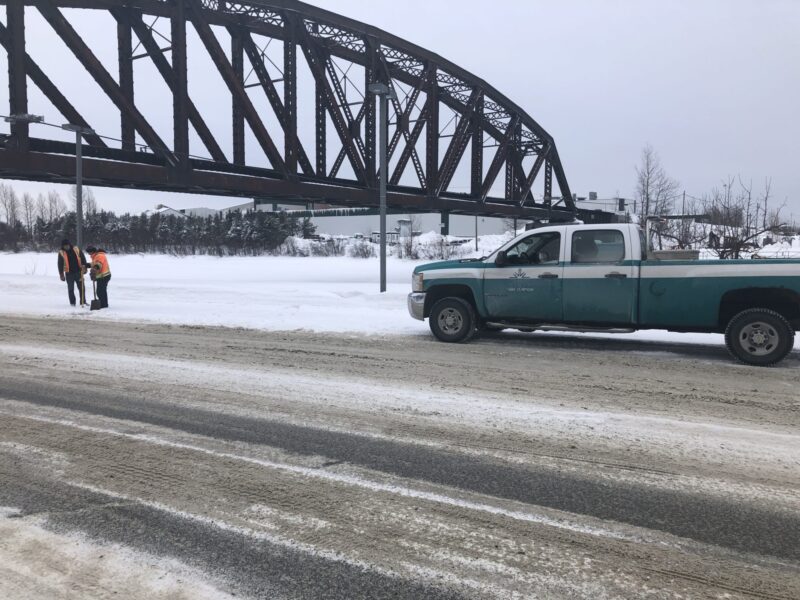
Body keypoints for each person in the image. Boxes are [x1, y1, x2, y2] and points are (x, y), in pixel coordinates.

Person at [57, 238, 87, 306]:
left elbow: (83, 258)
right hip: (69, 274)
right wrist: (61, 274)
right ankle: (72, 303)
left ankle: (83, 302)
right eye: (65, 246)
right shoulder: (61, 252)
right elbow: (60, 264)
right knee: (71, 289)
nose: (66, 247)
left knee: (82, 288)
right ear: (62, 246)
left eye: (67, 245)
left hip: (79, 272)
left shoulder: (76, 249)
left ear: (69, 244)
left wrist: (84, 267)